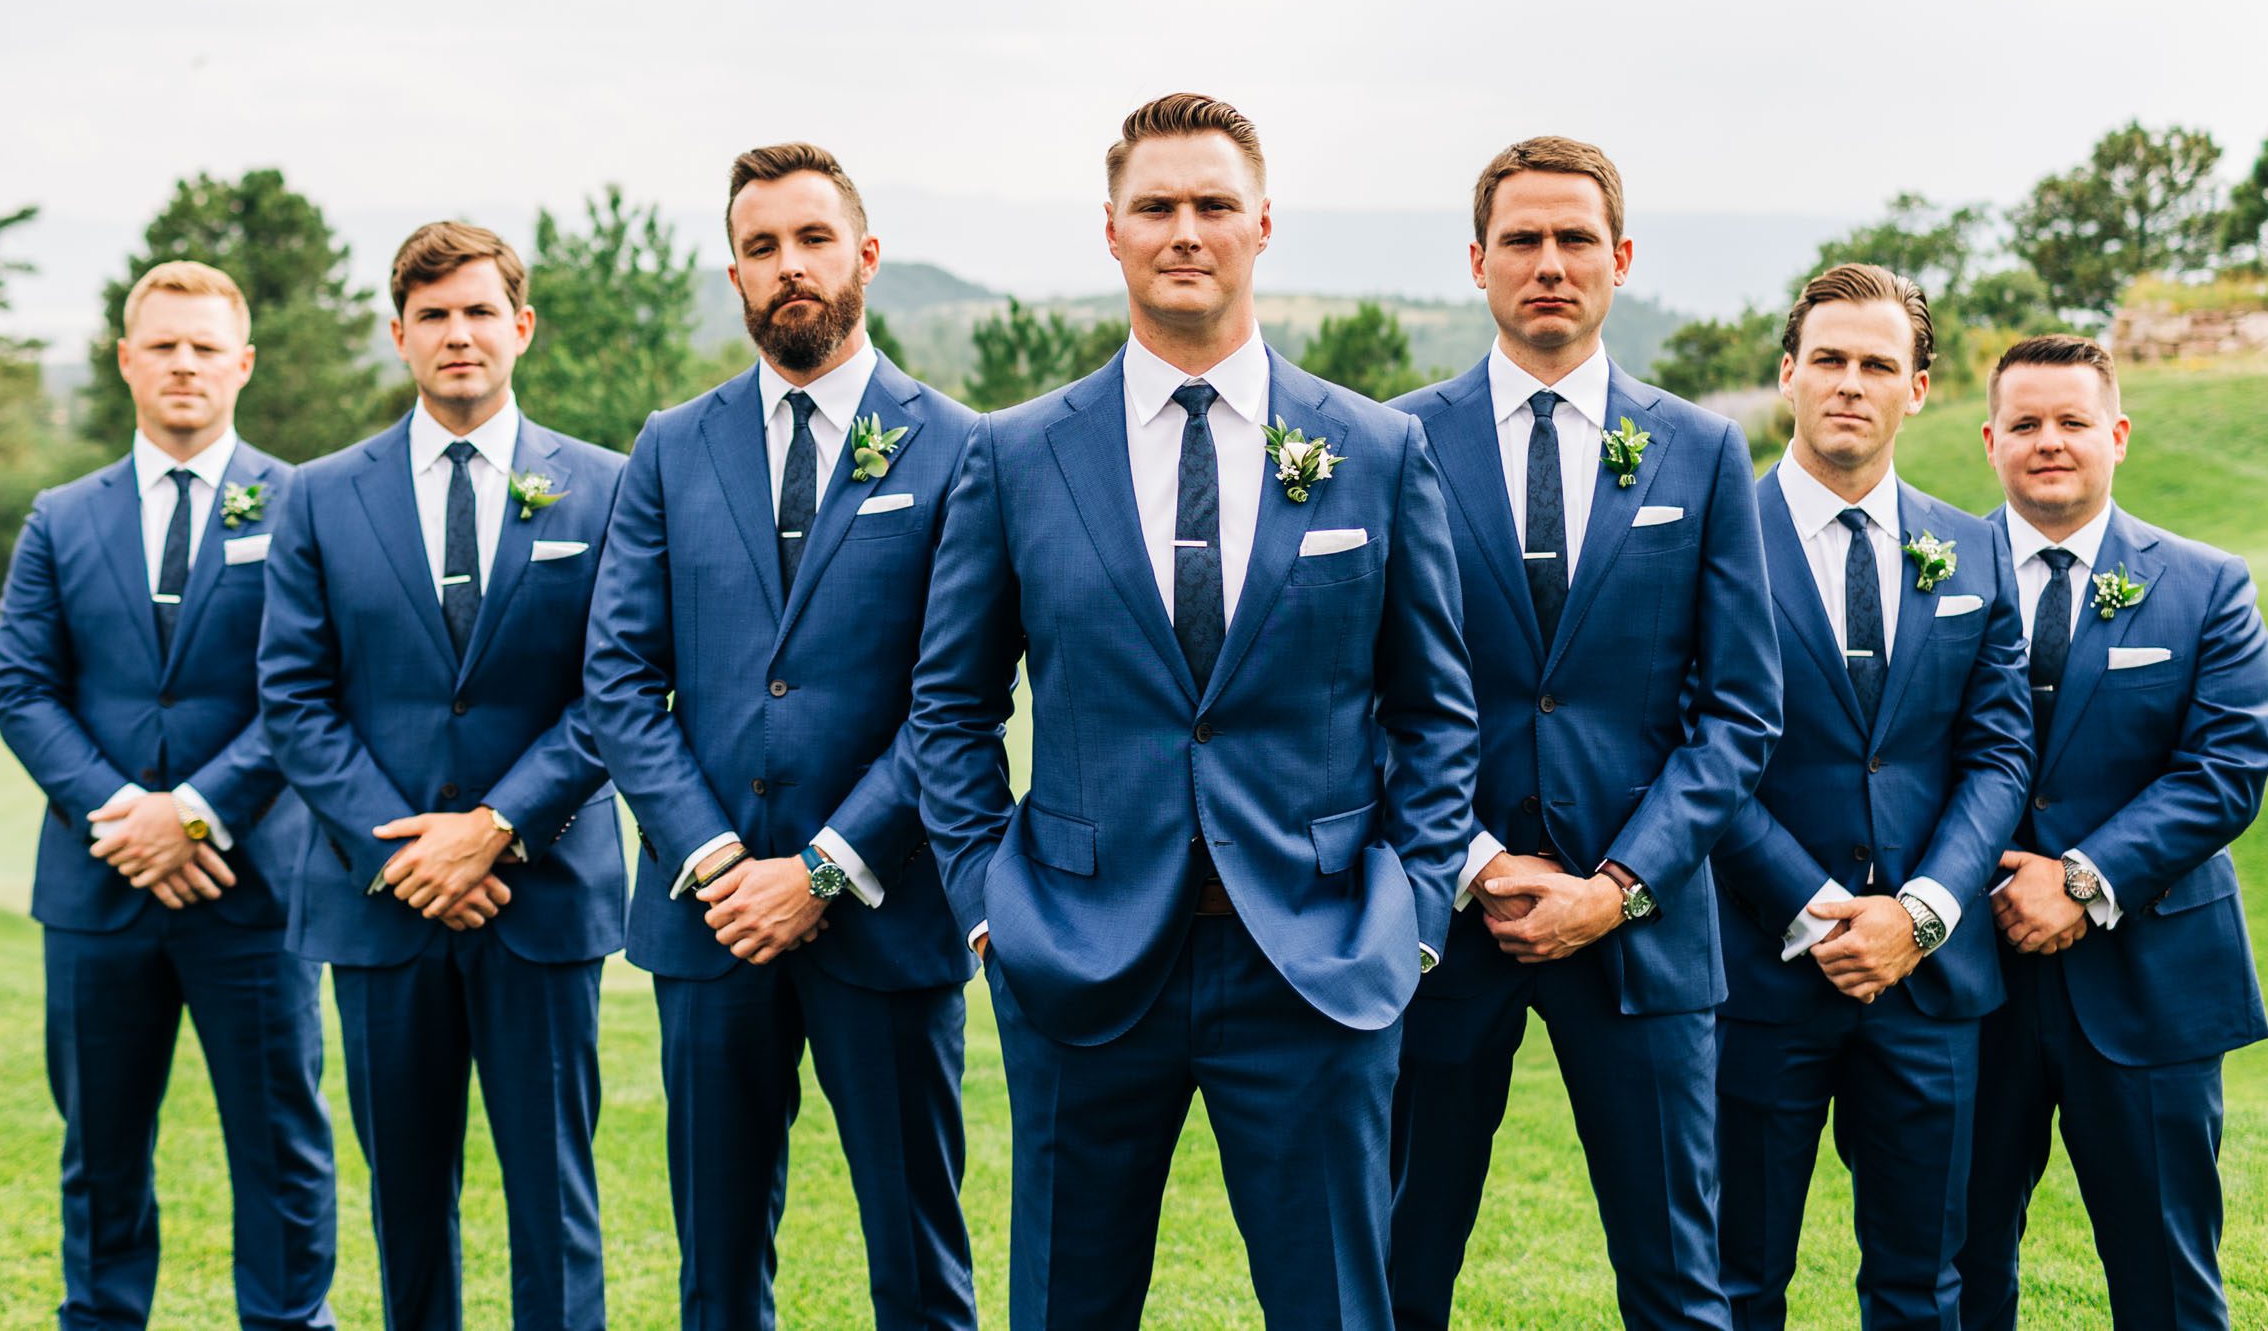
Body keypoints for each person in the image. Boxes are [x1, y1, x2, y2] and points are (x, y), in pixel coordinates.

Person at [909, 92, 1479, 1330]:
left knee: (1334, 1305)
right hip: (1076, 952)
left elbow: (1437, 713)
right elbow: (949, 711)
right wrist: (982, 906)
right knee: (1067, 1303)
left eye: (1213, 205)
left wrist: (1416, 916)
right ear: (1108, 232)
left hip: (1314, 958)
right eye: (1155, 206)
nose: (1185, 230)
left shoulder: (1374, 452)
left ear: (1261, 226)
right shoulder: (1012, 458)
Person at [1384, 137, 1781, 1330]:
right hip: (1443, 926)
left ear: (1617, 260)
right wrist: (1474, 861)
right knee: (1401, 1263)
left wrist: (1620, 884)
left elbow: (1740, 710)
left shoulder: (1701, 450)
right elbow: (1356, 697)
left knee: (1676, 1280)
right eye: (1521, 240)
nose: (1547, 263)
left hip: (1643, 927)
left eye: (1572, 240)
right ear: (1476, 261)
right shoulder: (1395, 442)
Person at [583, 142, 980, 1330]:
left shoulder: (960, 446)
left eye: (812, 240)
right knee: (714, 1274)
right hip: (710, 929)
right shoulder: (670, 445)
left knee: (919, 1265)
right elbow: (617, 679)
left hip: (885, 913)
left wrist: (820, 869)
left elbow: (953, 699)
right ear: (735, 276)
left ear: (864, 256)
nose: (788, 267)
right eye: (762, 248)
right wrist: (717, 864)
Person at [259, 222, 627, 1330]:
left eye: (478, 311)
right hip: (382, 901)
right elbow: (293, 697)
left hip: (542, 891)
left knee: (553, 1203)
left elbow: (614, 688)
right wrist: (413, 848)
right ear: (398, 335)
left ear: (520, 326)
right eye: (433, 315)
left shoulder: (607, 487)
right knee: (407, 1205)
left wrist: (496, 828)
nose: (457, 333)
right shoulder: (321, 497)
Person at [0, 260, 336, 1330]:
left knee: (281, 1146)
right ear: (127, 359)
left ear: (241, 363)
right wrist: (127, 817)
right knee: (100, 1151)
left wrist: (194, 811)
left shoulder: (306, 506)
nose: (184, 362)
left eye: (205, 345)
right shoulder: (60, 517)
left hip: (252, 888)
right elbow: (22, 685)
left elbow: (308, 687)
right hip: (96, 893)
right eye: (164, 344)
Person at [1712, 263, 2032, 1329]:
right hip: (1756, 974)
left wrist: (1923, 911)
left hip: (1928, 981)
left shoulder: (1975, 545)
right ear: (1788, 374)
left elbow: (1997, 755)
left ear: (1919, 388)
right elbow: (1697, 746)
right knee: (1736, 1280)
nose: (1851, 383)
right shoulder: (1712, 543)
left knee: (1922, 1283)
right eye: (1831, 360)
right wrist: (1813, 907)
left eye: (1877, 364)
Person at [1957, 334, 2268, 1331]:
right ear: (1989, 439)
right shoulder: (1932, 576)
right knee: (1951, 1267)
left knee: (2166, 1278)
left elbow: (2225, 769)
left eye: (2070, 422)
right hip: (1968, 979)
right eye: (2024, 423)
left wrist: (2084, 878)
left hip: (2151, 980)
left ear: (2118, 434)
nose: (2047, 442)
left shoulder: (2205, 585)